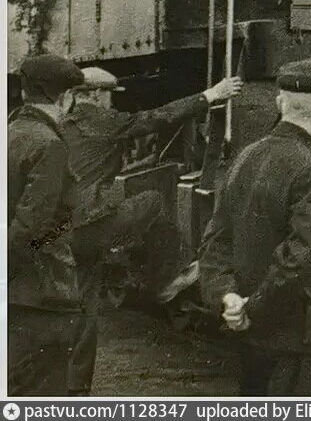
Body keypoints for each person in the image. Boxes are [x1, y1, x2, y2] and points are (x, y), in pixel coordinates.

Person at [62, 68, 245, 396]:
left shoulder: (63, 126)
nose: (111, 102)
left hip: (62, 232)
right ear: (92, 95)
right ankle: (167, 277)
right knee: (153, 201)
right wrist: (211, 94)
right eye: (108, 96)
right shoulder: (105, 121)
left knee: (80, 305)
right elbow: (159, 117)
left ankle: (67, 390)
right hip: (93, 225)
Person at [199, 56, 311, 396]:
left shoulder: (246, 157)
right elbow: (300, 255)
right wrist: (254, 307)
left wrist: (228, 298)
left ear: (280, 104)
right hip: (294, 338)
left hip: (248, 337)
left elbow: (215, 241)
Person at [8, 54, 87, 396]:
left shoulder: (10, 133)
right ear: (64, 98)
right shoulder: (50, 145)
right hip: (41, 295)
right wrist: (55, 238)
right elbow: (31, 230)